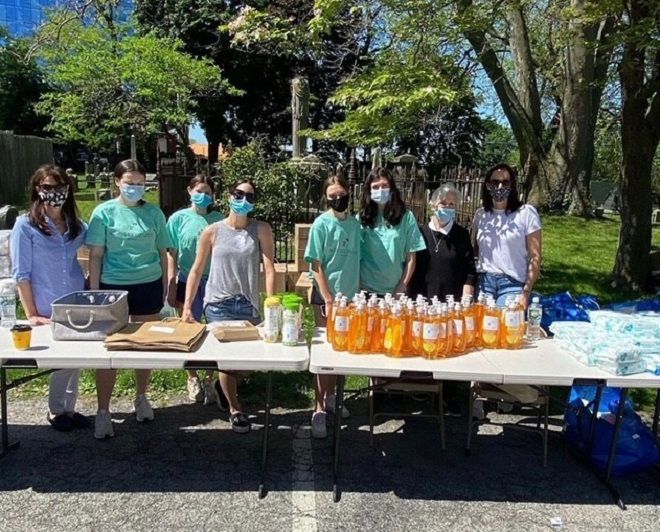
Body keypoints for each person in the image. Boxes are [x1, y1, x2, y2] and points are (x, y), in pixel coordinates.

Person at [181, 180, 276, 434]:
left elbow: (269, 268)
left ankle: (223, 388)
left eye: (250, 197)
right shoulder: (212, 231)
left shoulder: (261, 229)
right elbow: (196, 270)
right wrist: (187, 307)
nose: (243, 200)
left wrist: (271, 305)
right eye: (239, 194)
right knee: (227, 360)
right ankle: (235, 409)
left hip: (248, 303)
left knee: (248, 361)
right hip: (218, 304)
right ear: (229, 196)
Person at [86, 159, 171, 439]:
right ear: (117, 182)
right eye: (129, 183)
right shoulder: (103, 213)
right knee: (109, 351)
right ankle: (103, 411)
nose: (135, 187)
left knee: (144, 346)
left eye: (140, 183)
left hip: (148, 284)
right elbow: (95, 256)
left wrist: (165, 287)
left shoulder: (154, 213)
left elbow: (163, 253)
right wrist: (95, 294)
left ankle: (142, 396)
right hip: (113, 287)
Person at [10, 164, 90, 432]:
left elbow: (92, 251)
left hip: (75, 301)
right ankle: (56, 410)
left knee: (75, 359)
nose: (54, 192)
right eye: (47, 187)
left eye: (59, 186)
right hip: (46, 304)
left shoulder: (77, 225)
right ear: (37, 189)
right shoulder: (25, 225)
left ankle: (69, 408)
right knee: (61, 361)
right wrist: (31, 313)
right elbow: (21, 273)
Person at [304, 175, 361, 438]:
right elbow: (315, 264)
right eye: (332, 196)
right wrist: (327, 296)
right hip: (326, 296)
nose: (338, 199)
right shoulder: (321, 224)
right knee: (324, 354)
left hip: (350, 298)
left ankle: (332, 397)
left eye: (341, 194)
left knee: (342, 351)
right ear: (326, 198)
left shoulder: (355, 225)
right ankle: (318, 408)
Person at [166, 175, 224, 406]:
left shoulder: (219, 219)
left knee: (214, 331)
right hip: (186, 280)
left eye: (208, 192)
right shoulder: (178, 219)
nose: (203, 196)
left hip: (215, 282)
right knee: (188, 329)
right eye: (199, 191)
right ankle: (192, 377)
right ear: (189, 191)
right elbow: (171, 254)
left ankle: (210, 378)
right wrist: (171, 284)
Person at [472, 163, 542, 308]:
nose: (500, 186)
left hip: (512, 283)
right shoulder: (481, 215)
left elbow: (535, 256)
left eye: (505, 182)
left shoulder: (526, 213)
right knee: (482, 321)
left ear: (512, 185)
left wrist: (526, 292)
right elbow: (475, 251)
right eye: (495, 182)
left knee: (505, 320)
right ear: (487, 185)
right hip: (485, 282)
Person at [359, 167, 426, 296]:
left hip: (395, 290)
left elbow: (411, 258)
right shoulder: (361, 218)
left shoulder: (406, 217)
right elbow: (356, 256)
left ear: (392, 189)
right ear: (369, 191)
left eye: (384, 186)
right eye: (375, 187)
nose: (380, 190)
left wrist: (402, 285)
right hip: (366, 289)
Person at [408, 183, 476, 301]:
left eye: (451, 204)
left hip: (451, 301)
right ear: (433, 205)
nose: (447, 207)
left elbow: (469, 271)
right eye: (443, 203)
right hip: (421, 300)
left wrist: (466, 298)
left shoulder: (461, 234)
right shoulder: (420, 233)